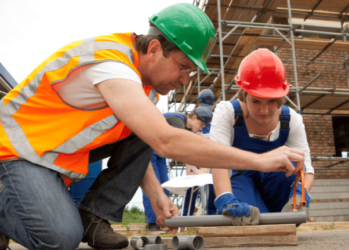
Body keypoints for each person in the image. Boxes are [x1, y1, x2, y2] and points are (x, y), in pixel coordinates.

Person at [0, 4, 304, 250]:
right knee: (60, 239)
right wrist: (260, 160)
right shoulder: (111, 65)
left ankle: (94, 217)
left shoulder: (145, 90)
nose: (186, 79)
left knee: (154, 123)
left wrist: (157, 196)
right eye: (184, 67)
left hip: (46, 158)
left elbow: (144, 137)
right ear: (155, 48)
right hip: (14, 152)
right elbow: (165, 141)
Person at [210, 49, 314, 223]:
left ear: (280, 97)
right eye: (255, 101)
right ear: (244, 94)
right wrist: (225, 197)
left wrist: (299, 195)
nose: (264, 111)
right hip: (240, 178)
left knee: (290, 164)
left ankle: (280, 215)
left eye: (271, 101)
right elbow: (217, 160)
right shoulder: (228, 112)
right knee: (249, 219)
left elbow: (307, 169)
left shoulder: (291, 120)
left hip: (275, 182)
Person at [143, 107, 212, 231]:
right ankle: (152, 224)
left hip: (159, 153)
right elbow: (181, 150)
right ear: (194, 117)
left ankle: (163, 220)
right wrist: (196, 170)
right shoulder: (177, 120)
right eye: (201, 124)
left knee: (165, 187)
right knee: (154, 187)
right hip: (148, 149)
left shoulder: (183, 126)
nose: (201, 128)